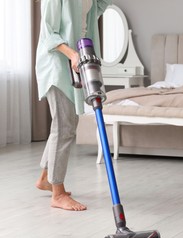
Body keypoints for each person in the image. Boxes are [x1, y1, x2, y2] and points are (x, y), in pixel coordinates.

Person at [35, 0, 112, 211]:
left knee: (65, 123)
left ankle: (45, 179)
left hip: (76, 63)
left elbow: (101, 6)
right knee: (64, 126)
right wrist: (72, 54)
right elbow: (48, 32)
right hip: (56, 65)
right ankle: (57, 194)